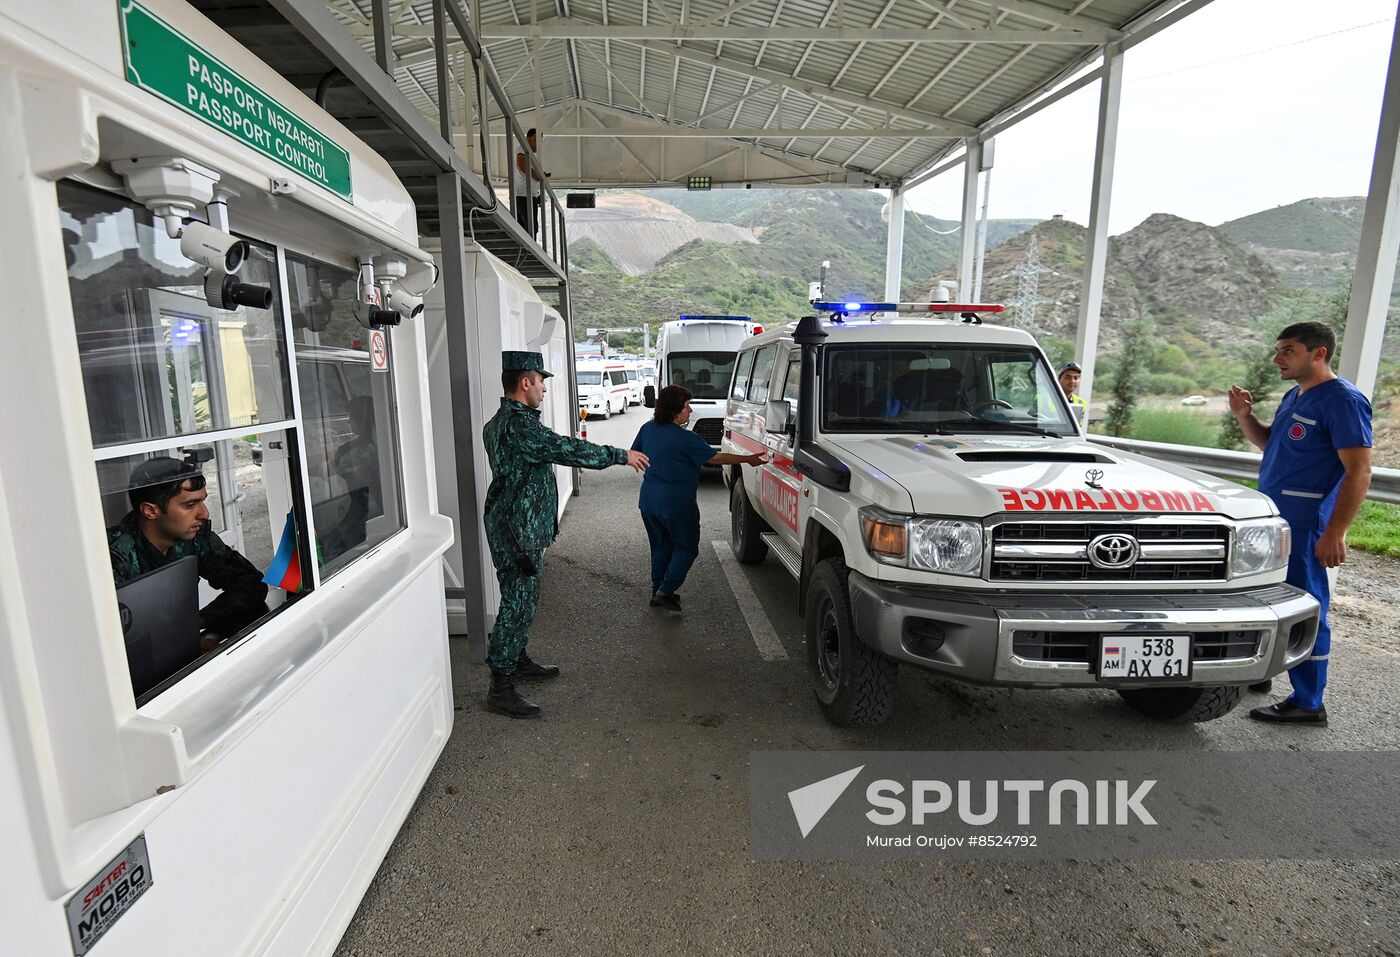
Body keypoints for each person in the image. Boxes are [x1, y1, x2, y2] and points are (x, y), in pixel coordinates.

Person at [483, 350, 649, 718]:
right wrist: (620, 455)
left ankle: (517, 658)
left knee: (521, 600)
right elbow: (566, 449)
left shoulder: (502, 422)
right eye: (540, 381)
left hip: (515, 525)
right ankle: (501, 686)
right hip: (517, 531)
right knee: (517, 603)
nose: (544, 388)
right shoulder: (519, 425)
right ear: (524, 382)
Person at [1228, 321, 1372, 726]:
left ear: (1318, 353)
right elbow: (1270, 442)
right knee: (1267, 600)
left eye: (1288, 350)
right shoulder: (1296, 395)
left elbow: (1359, 471)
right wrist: (1244, 416)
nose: (1277, 358)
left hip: (1308, 526)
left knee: (1308, 609)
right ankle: (1266, 669)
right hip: (1273, 522)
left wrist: (1335, 532)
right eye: (1278, 350)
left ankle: (1309, 702)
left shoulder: (1343, 400)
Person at [630, 385, 766, 610]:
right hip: (677, 504)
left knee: (660, 547)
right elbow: (715, 458)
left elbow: (635, 454)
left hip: (649, 502)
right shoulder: (686, 439)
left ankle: (659, 589)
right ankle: (665, 591)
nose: (690, 411)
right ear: (675, 411)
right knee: (687, 547)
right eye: (686, 406)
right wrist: (748, 459)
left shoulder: (647, 429)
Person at [108, 456, 268, 639]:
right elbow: (109, 638)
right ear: (150, 511)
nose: (205, 513)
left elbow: (251, 583)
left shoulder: (195, 537)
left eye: (202, 501)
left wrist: (199, 621)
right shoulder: (113, 557)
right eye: (190, 505)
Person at [512, 128, 548, 233]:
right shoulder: (522, 150)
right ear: (527, 138)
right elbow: (522, 164)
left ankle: (525, 249)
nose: (537, 144)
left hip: (525, 196)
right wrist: (538, 176)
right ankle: (529, 249)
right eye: (535, 140)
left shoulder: (528, 154)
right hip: (524, 196)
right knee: (530, 228)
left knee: (526, 228)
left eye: (539, 141)